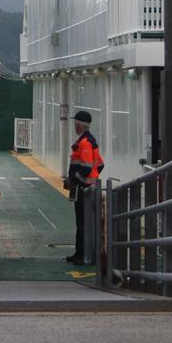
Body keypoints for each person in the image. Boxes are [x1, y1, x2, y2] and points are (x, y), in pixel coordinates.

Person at [64, 109, 104, 265]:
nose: (74, 125)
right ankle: (79, 253)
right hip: (86, 188)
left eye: (75, 122)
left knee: (82, 223)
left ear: (79, 124)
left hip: (83, 189)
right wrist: (92, 179)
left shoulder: (85, 143)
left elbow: (87, 168)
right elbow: (99, 164)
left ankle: (83, 255)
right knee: (82, 222)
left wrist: (75, 180)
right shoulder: (88, 141)